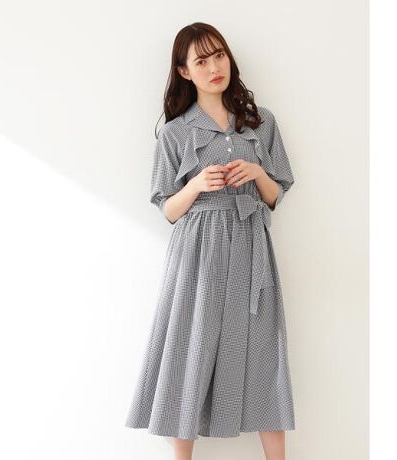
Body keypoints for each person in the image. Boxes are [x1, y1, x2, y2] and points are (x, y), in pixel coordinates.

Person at [125, 22, 296, 460]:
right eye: (201, 61)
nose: (215, 67)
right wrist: (198, 184)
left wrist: (256, 173)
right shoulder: (175, 132)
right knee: (189, 346)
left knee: (264, 352)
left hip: (251, 246)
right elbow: (167, 208)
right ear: (184, 71)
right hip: (197, 251)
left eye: (219, 55)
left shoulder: (260, 123)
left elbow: (275, 195)